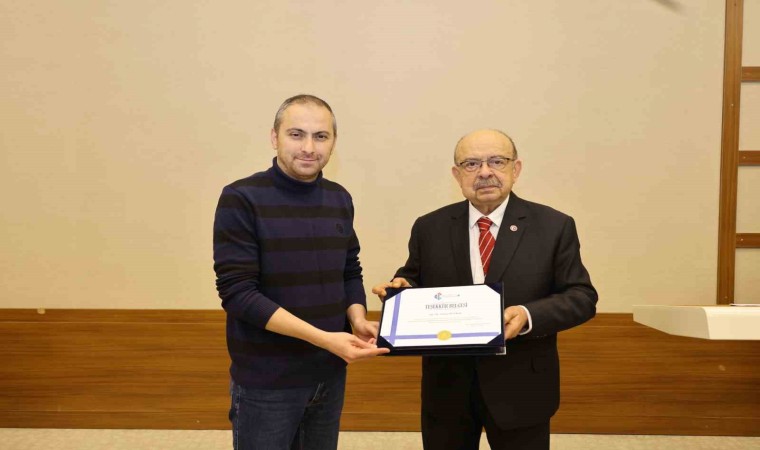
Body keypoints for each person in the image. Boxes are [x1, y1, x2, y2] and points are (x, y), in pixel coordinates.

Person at [372, 129, 597, 450]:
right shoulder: (429, 227)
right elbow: (414, 279)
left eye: (497, 161)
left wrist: (527, 315)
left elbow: (582, 297)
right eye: (471, 164)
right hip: (447, 387)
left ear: (516, 169)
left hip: (522, 387)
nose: (485, 172)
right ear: (457, 174)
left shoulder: (554, 225)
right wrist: (402, 289)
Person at [214, 94, 388, 450]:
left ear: (333, 142)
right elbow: (239, 294)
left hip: (329, 373)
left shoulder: (339, 198)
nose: (309, 147)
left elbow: (348, 268)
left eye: (321, 136)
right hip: (267, 381)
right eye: (296, 134)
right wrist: (324, 338)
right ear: (274, 137)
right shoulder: (241, 198)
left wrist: (356, 318)